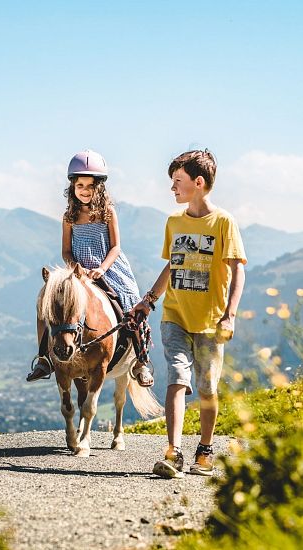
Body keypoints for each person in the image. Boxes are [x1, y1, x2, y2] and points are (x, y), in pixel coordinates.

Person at [133, 150, 246, 478]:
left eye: (177, 182)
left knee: (208, 387)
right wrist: (150, 299)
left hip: (211, 321)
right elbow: (173, 264)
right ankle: (173, 452)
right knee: (177, 378)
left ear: (198, 183)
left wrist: (231, 314)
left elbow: (238, 270)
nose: (172, 189)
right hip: (175, 315)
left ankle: (205, 450)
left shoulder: (224, 222)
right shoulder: (174, 222)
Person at [26, 149, 153, 387]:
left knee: (131, 305)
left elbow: (115, 247)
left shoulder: (107, 212)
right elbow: (65, 250)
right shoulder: (69, 216)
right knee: (47, 306)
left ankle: (141, 362)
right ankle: (45, 358)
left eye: (90, 185)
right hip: (78, 271)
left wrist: (102, 269)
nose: (84, 190)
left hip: (110, 268)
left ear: (99, 187)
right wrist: (76, 267)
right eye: (80, 185)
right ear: (72, 187)